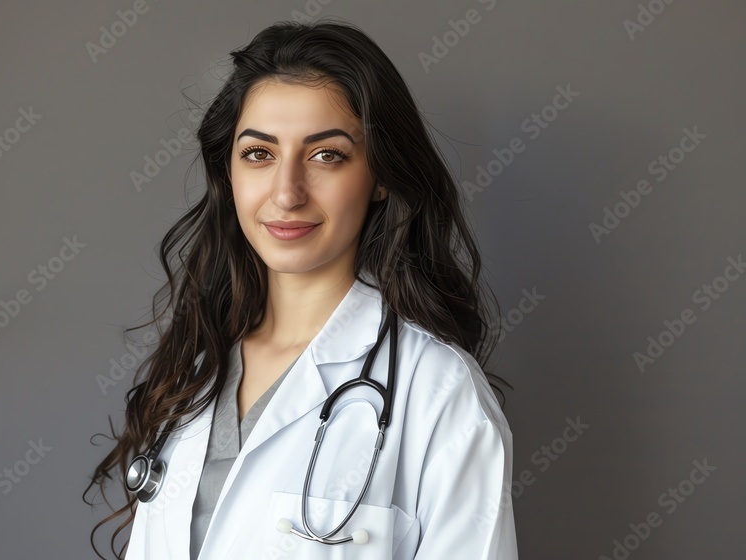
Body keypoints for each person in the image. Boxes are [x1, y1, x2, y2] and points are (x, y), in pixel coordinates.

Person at [85, 18, 518, 560]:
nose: (286, 193)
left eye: (325, 155)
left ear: (380, 175)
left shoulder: (438, 393)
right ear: (230, 173)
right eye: (259, 154)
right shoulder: (195, 374)